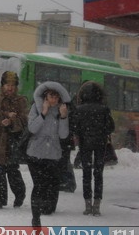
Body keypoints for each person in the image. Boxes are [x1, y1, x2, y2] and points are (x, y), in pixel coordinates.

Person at [26, 81, 71, 227]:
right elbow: (32, 128)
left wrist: (64, 117)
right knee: (38, 185)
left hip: (52, 155)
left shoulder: (61, 111)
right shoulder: (36, 107)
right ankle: (36, 217)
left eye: (57, 97)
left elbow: (63, 135)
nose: (54, 100)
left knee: (46, 186)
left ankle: (42, 209)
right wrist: (43, 113)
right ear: (45, 96)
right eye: (52, 96)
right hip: (35, 154)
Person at [0, 71, 28, 209]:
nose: (10, 88)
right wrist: (3, 116)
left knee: (13, 170)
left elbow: (24, 120)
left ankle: (20, 195)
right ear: (2, 85)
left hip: (14, 140)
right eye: (7, 85)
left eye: (13, 85)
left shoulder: (21, 101)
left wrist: (13, 121)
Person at [72, 81, 115, 216]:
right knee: (98, 174)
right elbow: (110, 127)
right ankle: (97, 205)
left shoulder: (79, 109)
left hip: (85, 144)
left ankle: (87, 205)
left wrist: (83, 134)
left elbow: (75, 127)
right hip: (100, 144)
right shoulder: (104, 109)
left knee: (86, 174)